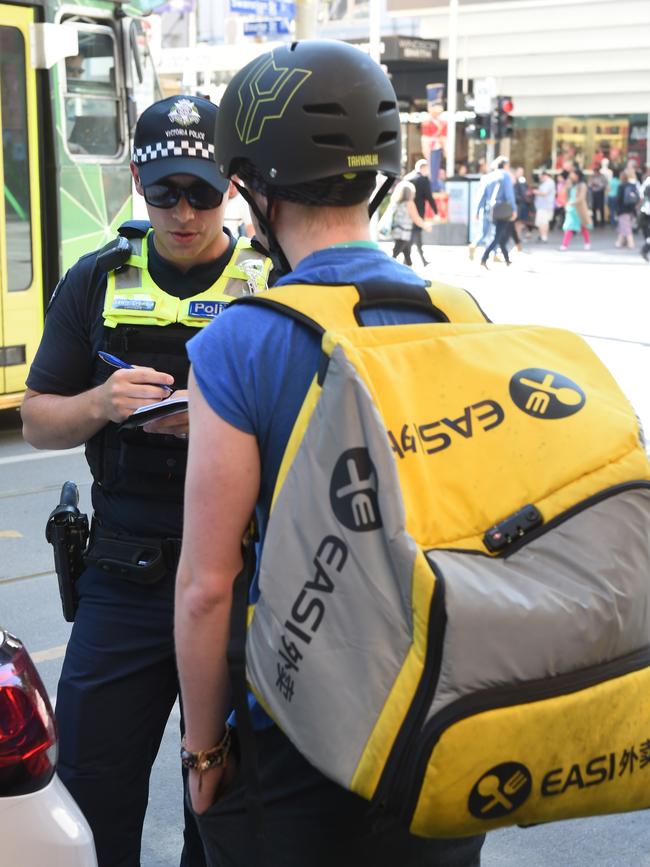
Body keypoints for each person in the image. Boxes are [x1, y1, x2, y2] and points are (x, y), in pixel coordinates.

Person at [174, 39, 485, 867]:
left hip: (302, 736)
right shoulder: (461, 315)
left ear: (252, 189)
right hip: (442, 722)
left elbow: (208, 587)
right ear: (379, 176)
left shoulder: (242, 342)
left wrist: (204, 755)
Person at [21, 95, 271, 867]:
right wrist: (98, 403)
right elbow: (36, 419)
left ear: (230, 185)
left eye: (201, 190)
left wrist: (229, 419)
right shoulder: (96, 279)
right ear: (137, 180)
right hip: (123, 573)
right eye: (165, 192)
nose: (184, 211)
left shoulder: (277, 282)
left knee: (230, 801)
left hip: (245, 572)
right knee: (91, 791)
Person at [478, 156, 517, 268]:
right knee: (498, 236)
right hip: (503, 209)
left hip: (492, 209)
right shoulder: (505, 176)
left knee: (499, 234)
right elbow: (509, 195)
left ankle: (507, 259)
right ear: (505, 165)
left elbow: (483, 195)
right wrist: (514, 209)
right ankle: (484, 257)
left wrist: (478, 210)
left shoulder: (489, 176)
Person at [404, 158, 438, 265]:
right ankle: (410, 259)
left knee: (412, 235)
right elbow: (429, 197)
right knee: (416, 234)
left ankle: (415, 259)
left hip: (406, 212)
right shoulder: (423, 180)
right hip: (418, 211)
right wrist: (436, 211)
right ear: (423, 168)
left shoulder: (407, 178)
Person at [389, 179, 430, 266]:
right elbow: (416, 218)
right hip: (404, 232)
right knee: (395, 253)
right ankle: (388, 267)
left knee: (406, 251)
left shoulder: (397, 202)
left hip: (397, 230)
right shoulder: (409, 203)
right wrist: (425, 226)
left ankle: (409, 266)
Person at [560, 168, 592, 251]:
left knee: (582, 227)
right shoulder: (572, 184)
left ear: (577, 175)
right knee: (569, 226)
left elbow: (581, 198)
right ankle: (564, 245)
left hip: (579, 209)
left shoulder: (582, 185)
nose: (571, 176)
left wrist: (571, 203)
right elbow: (565, 192)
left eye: (573, 174)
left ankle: (587, 242)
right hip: (571, 209)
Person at [615, 169, 640, 249]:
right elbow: (637, 198)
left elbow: (618, 199)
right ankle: (620, 241)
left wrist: (617, 210)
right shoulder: (632, 185)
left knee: (626, 226)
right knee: (623, 226)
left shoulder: (621, 186)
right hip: (631, 209)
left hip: (623, 210)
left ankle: (630, 242)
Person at [533, 169, 555, 242]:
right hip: (543, 206)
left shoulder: (549, 183)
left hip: (545, 206)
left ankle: (544, 237)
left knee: (543, 222)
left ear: (544, 176)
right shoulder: (548, 182)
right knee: (542, 222)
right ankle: (542, 236)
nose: (540, 178)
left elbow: (544, 193)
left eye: (540, 177)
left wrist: (535, 191)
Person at [639, 173, 650, 262]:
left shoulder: (647, 181)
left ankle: (645, 249)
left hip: (644, 210)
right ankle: (645, 249)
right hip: (646, 210)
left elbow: (641, 194)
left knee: (646, 233)